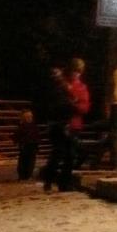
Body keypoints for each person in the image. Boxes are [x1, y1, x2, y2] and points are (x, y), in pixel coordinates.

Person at [41, 57, 91, 191]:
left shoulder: (80, 87)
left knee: (69, 155)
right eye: (75, 71)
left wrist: (74, 105)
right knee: (58, 153)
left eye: (78, 71)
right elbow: (55, 103)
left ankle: (64, 183)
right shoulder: (62, 85)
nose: (76, 73)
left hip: (73, 124)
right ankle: (49, 179)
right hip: (61, 123)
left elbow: (84, 107)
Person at [12, 109, 41, 181]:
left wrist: (37, 145)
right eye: (27, 117)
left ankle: (28, 175)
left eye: (30, 117)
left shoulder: (34, 126)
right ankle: (22, 176)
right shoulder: (21, 126)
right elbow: (17, 135)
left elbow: (36, 136)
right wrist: (17, 142)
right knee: (23, 161)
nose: (29, 118)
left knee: (31, 161)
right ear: (24, 118)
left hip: (32, 146)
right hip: (25, 146)